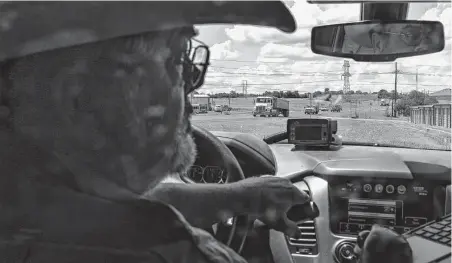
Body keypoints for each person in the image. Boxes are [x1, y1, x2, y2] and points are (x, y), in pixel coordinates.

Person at [0, 1, 412, 263]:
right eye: (178, 60)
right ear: (81, 98)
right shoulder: (173, 253)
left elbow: (95, 208)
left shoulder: (26, 204)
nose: (191, 85)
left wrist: (235, 195)